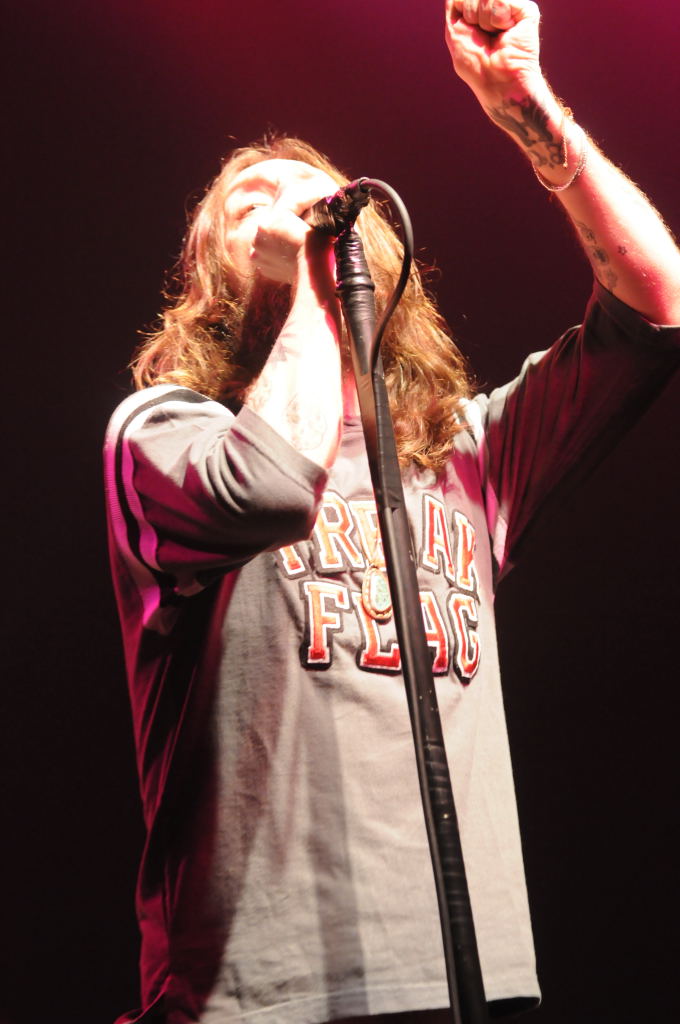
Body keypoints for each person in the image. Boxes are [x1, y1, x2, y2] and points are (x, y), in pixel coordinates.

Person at [104, 2, 680, 1022]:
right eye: (247, 204)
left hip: (465, 980)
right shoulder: (163, 433)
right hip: (266, 996)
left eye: (309, 194)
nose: (284, 205)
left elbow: (654, 310)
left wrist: (529, 110)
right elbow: (269, 488)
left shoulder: (462, 455)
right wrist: (312, 285)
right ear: (208, 278)